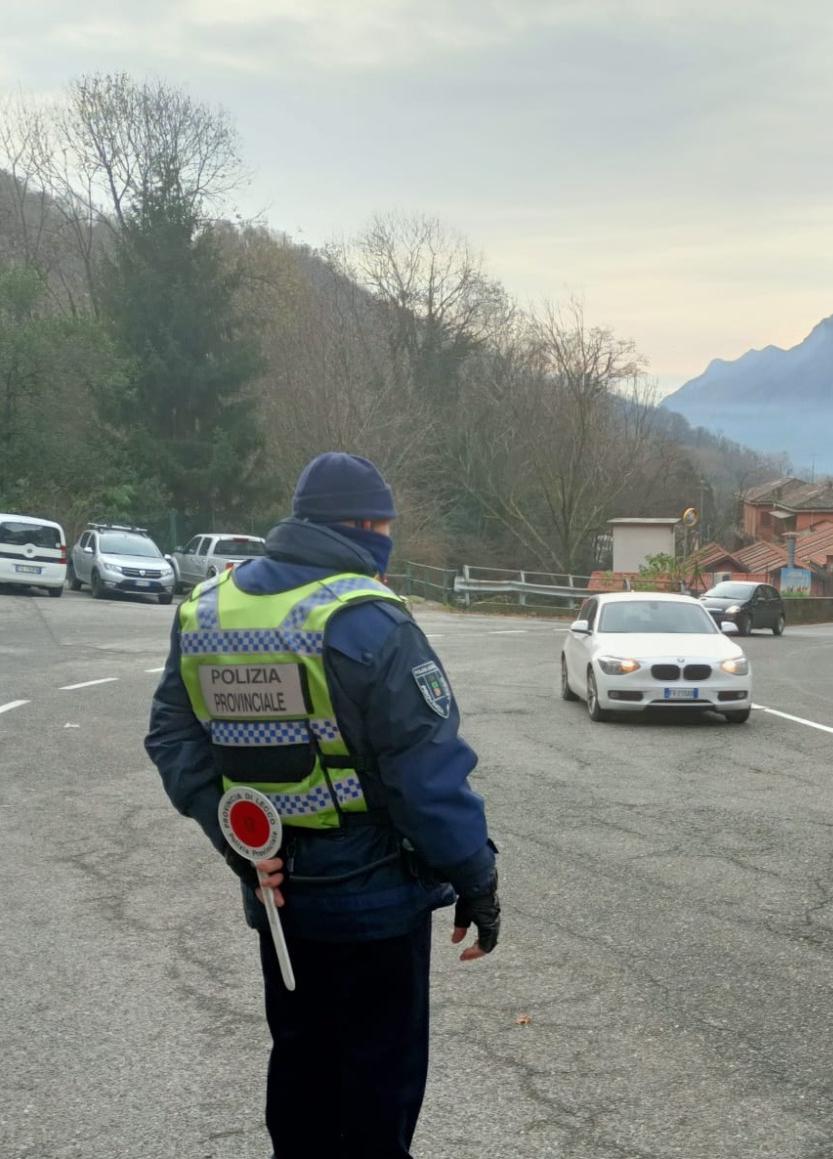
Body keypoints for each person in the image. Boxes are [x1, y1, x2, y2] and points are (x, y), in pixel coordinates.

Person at [145, 451, 499, 1159]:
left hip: (277, 898)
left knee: (301, 1069)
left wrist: (237, 835)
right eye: (386, 525)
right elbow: (425, 777)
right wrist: (476, 876)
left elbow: (172, 736)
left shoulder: (207, 610)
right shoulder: (370, 620)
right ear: (364, 525)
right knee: (378, 1090)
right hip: (377, 906)